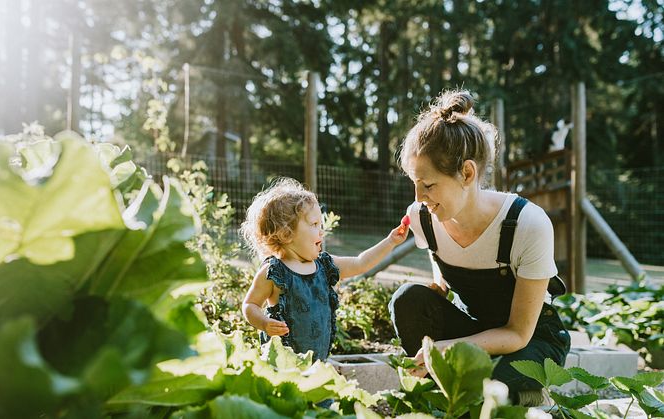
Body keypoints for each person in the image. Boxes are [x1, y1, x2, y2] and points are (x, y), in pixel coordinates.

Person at [389, 90, 570, 405]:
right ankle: (447, 387)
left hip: (529, 342)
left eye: (428, 185)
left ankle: (527, 396)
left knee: (486, 381)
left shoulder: (527, 224)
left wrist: (454, 348)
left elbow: (517, 334)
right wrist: (439, 287)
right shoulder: (423, 217)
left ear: (467, 173)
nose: (419, 197)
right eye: (414, 182)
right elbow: (441, 259)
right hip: (477, 329)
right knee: (408, 300)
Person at [241, 177, 409, 362]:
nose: (321, 231)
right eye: (314, 225)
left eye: (321, 225)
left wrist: (391, 241)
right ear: (286, 233)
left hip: (318, 362)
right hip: (283, 363)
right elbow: (250, 305)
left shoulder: (324, 265)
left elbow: (361, 263)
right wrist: (264, 323)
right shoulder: (273, 273)